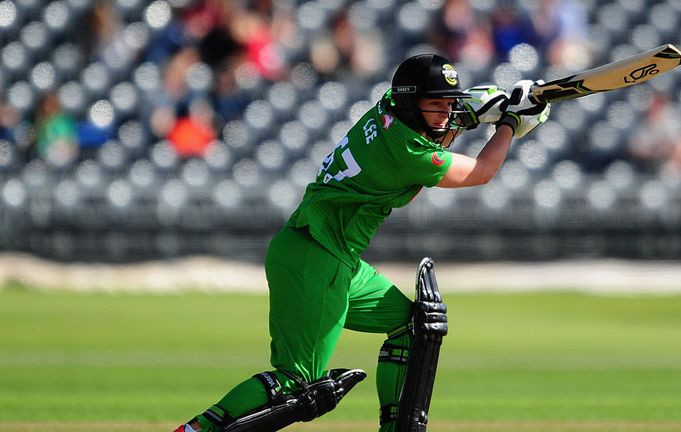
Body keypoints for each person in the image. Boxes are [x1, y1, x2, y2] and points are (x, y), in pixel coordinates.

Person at [173, 53, 550, 432]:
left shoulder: (386, 110)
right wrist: (510, 123)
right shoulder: (406, 152)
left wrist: (468, 113)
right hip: (319, 257)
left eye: (448, 103)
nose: (443, 113)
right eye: (435, 104)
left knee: (413, 326)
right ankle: (194, 431)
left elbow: (432, 131)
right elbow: (481, 172)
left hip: (328, 255)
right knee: (297, 384)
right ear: (410, 102)